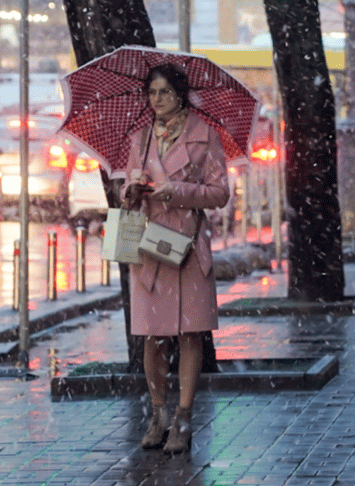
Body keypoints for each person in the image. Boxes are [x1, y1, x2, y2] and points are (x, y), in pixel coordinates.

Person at [121, 63, 230, 454]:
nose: (157, 100)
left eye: (165, 92)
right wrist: (130, 192)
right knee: (152, 338)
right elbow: (131, 182)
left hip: (186, 246)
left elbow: (220, 193)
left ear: (181, 94)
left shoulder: (204, 137)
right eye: (152, 92)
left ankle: (183, 418)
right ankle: (158, 413)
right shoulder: (142, 138)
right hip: (150, 247)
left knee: (188, 333)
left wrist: (177, 191)